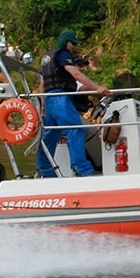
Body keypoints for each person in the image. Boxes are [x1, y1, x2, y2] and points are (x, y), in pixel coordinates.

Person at [37, 30, 111, 177]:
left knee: (50, 135)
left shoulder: (47, 57)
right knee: (76, 129)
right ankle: (82, 168)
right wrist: (98, 87)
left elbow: (42, 83)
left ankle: (44, 170)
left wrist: (43, 104)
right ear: (67, 42)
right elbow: (76, 74)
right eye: (73, 44)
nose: (74, 47)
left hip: (49, 99)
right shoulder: (63, 55)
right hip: (60, 98)